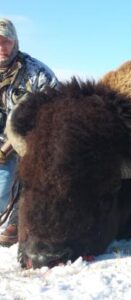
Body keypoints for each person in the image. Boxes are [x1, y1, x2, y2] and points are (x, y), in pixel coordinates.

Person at [0, 18, 59, 246]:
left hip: (30, 141)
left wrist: (11, 146)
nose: (2, 47)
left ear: (16, 42)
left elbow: (57, 112)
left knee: (8, 184)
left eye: (6, 41)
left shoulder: (38, 73)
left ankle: (18, 218)